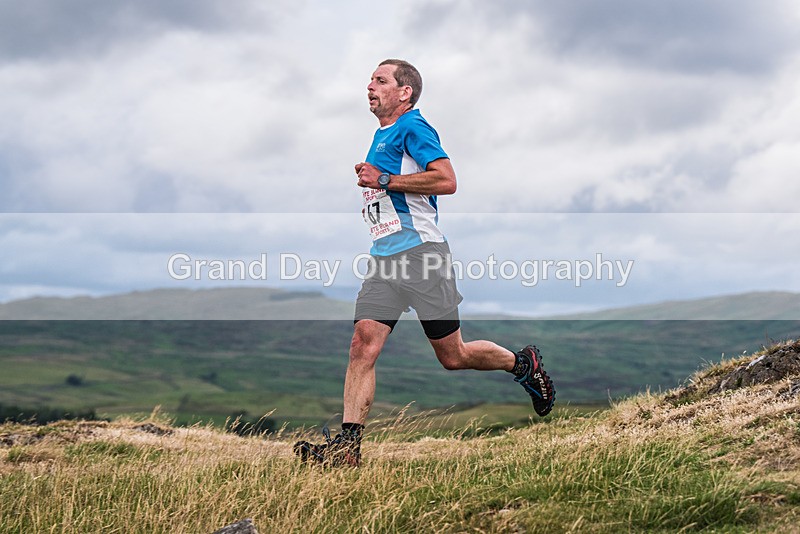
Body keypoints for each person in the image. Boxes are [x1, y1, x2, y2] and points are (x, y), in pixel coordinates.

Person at [294, 59, 554, 467]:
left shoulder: (414, 127)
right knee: (362, 344)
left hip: (422, 255)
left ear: (404, 92)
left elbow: (447, 181)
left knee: (453, 356)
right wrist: (377, 180)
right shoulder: (381, 134)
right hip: (385, 260)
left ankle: (523, 364)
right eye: (370, 80)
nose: (369, 86)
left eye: (380, 80)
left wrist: (383, 180)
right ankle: (348, 450)